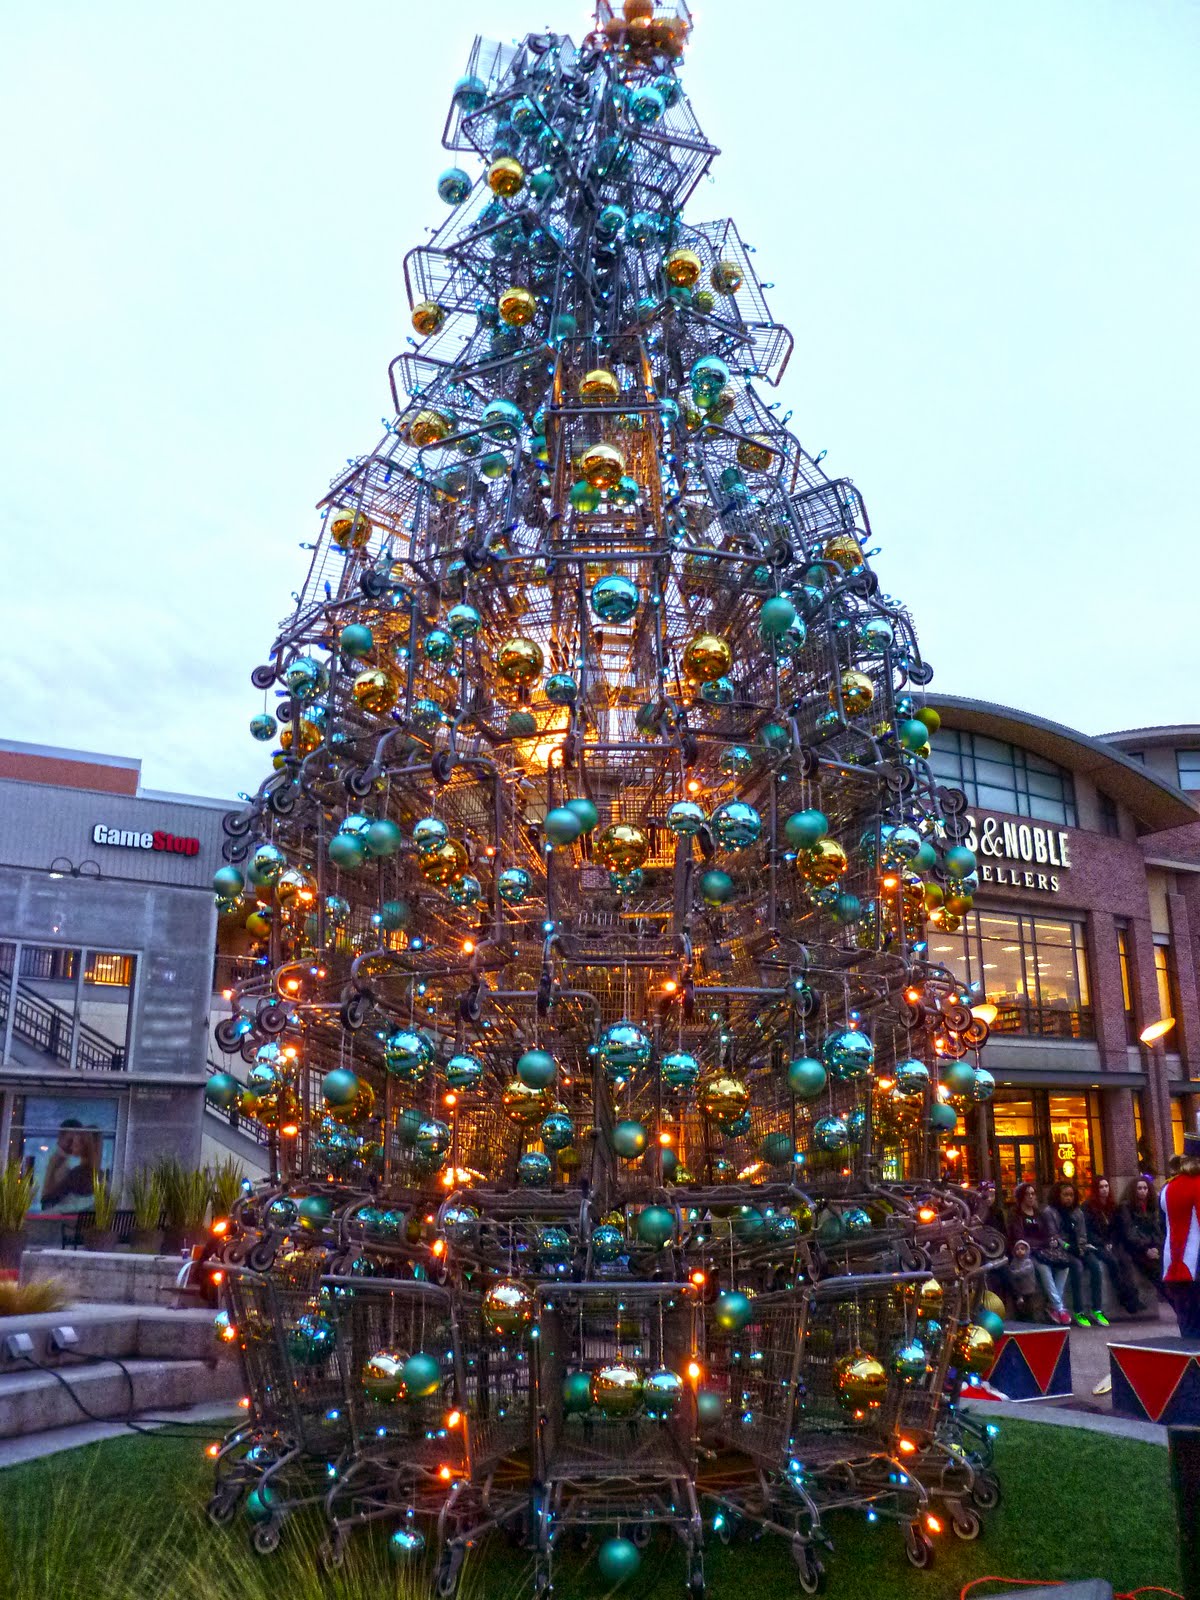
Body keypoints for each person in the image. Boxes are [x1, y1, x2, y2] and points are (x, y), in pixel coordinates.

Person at [1007, 1181, 1072, 1326]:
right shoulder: (1016, 1215)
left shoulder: (1039, 1213)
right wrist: (1040, 1244)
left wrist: (1051, 1241)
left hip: (1044, 1249)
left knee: (1064, 1265)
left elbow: (1047, 1233)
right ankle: (1059, 1307)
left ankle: (1053, 1305)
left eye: (1033, 1194)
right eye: (1028, 1194)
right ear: (1021, 1197)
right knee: (1044, 1269)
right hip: (1027, 1252)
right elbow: (1019, 1237)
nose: (1031, 1197)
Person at [1047, 1179, 1106, 1326]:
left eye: (1071, 1195)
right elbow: (1054, 1235)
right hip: (1061, 1250)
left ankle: (1097, 1309)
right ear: (1058, 1195)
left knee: (1095, 1266)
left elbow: (1082, 1234)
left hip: (1078, 1247)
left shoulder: (1077, 1212)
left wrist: (1080, 1247)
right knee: (1077, 1267)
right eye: (1065, 1195)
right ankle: (1079, 1311)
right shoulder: (1050, 1212)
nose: (1068, 1198)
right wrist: (1068, 1246)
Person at [1083, 1174, 1140, 1317]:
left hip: (1112, 1242)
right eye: (1101, 1187)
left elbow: (1117, 1228)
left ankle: (1132, 1296)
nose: (1104, 1190)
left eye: (1106, 1186)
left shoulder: (1113, 1206)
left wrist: (1111, 1242)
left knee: (1126, 1260)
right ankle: (1125, 1297)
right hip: (1096, 1244)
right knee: (1112, 1262)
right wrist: (1102, 1243)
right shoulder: (1088, 1207)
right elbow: (1088, 1231)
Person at [1161, 1135, 1200, 1340]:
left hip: (1173, 1265)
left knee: (1187, 1329)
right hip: (1195, 1265)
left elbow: (1161, 1226)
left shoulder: (1168, 1186)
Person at [1117, 1174, 1166, 1300]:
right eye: (1139, 1188)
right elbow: (1130, 1233)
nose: (1143, 1191)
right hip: (1134, 1248)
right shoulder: (1125, 1207)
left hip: (1150, 1247)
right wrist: (1146, 1249)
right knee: (1155, 1270)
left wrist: (1156, 1247)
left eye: (1145, 1188)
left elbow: (1157, 1230)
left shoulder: (1151, 1207)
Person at [40, 1120, 101, 1211]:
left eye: (74, 1143)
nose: (71, 1147)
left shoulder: (76, 1174)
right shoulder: (94, 1174)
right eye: (70, 1141)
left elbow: (47, 1201)